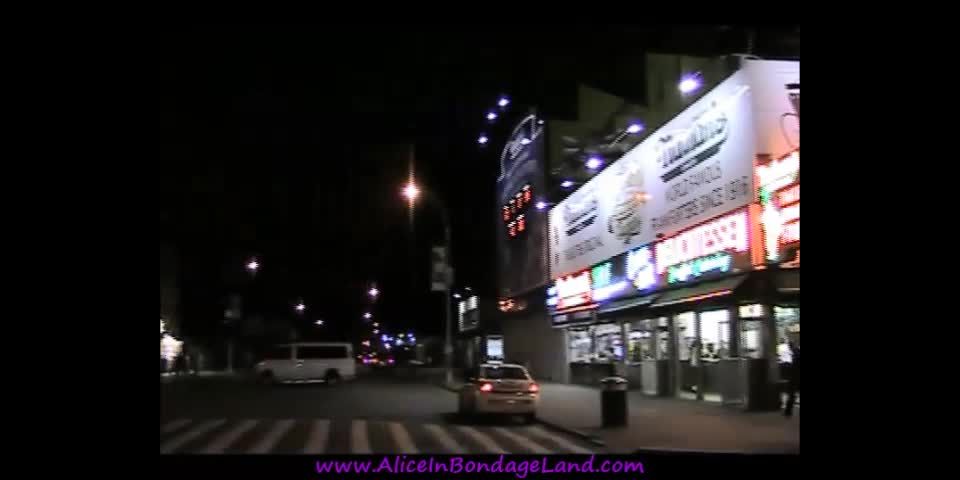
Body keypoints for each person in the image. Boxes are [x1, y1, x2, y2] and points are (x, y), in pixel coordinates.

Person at [784, 341, 800, 417]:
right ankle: (788, 411)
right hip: (795, 376)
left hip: (794, 377)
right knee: (792, 395)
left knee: (792, 395)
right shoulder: (796, 352)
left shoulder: (795, 353)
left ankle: (788, 411)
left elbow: (793, 366)